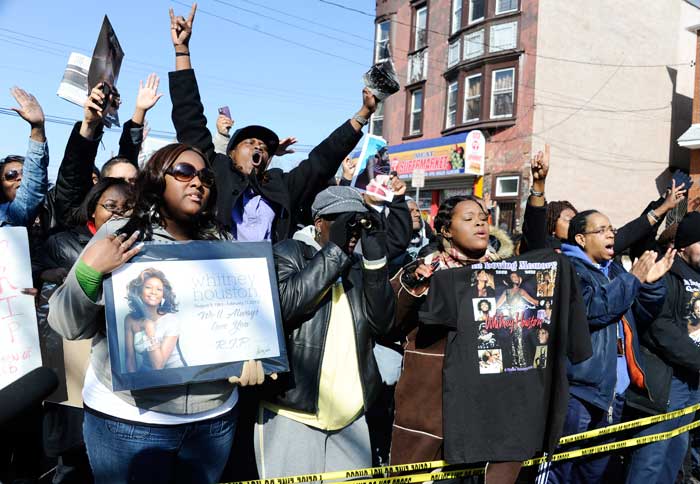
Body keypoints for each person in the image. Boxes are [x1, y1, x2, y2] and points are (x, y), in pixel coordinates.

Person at [48, 143, 269, 483]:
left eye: (205, 176)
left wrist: (250, 356)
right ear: (156, 179)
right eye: (183, 172)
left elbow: (236, 325)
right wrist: (90, 272)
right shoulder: (120, 235)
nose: (197, 182)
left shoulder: (223, 243)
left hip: (212, 421)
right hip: (128, 422)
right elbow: (66, 324)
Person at [168, 4, 376, 242]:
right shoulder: (216, 171)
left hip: (267, 275)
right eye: (250, 142)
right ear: (232, 152)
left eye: (264, 147)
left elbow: (322, 160)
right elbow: (189, 118)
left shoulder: (281, 184)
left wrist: (363, 114)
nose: (258, 147)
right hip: (217, 273)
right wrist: (182, 51)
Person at [254, 186, 395, 477]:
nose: (353, 229)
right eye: (343, 220)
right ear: (319, 223)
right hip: (293, 411)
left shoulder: (359, 265)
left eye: (358, 220)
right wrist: (335, 252)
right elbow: (286, 306)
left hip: (351, 414)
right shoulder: (288, 251)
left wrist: (376, 262)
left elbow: (383, 323)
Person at [543, 210, 672, 484]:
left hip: (613, 392)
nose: (611, 233)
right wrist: (632, 280)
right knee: (559, 472)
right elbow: (592, 310)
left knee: (593, 474)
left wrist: (650, 285)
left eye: (611, 228)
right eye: (601, 230)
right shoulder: (567, 270)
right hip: (578, 392)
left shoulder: (613, 270)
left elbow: (641, 315)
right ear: (580, 238)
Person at [389, 196, 513, 475]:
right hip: (429, 407)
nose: (480, 223)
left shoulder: (507, 274)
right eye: (468, 219)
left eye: (483, 217)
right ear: (446, 230)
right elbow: (388, 321)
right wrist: (413, 286)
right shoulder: (424, 269)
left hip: (485, 406)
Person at [36, 177, 134, 484]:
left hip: (116, 369)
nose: (119, 213)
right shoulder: (60, 242)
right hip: (71, 359)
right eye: (110, 206)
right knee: (73, 457)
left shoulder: (142, 245)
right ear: (92, 210)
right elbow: (35, 286)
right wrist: (43, 278)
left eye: (128, 207)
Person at [623, 211, 700, 483]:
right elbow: (659, 327)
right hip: (668, 379)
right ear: (683, 247)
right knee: (652, 457)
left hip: (694, 381)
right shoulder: (668, 273)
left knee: (676, 455)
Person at [1, 87, 49, 227]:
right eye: (11, 175)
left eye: (25, 172)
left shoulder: (13, 215)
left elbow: (32, 189)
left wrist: (37, 128)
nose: (20, 177)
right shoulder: (5, 212)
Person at [124, 268, 185, 372]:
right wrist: (133, 383)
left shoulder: (171, 320)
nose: (154, 292)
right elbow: (130, 358)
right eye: (148, 287)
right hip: (145, 373)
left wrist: (149, 329)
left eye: (159, 289)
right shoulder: (130, 320)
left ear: (163, 295)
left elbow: (158, 366)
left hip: (174, 375)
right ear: (139, 292)